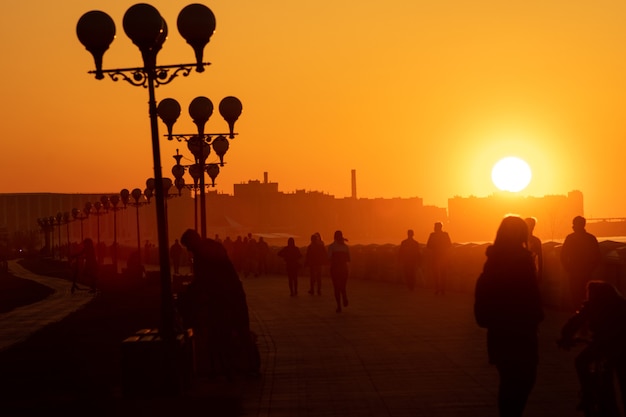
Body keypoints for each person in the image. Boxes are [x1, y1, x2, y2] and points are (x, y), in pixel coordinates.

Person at [474, 215, 544, 417]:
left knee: (508, 382)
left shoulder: (492, 262)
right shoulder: (523, 262)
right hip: (522, 334)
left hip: (499, 335)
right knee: (524, 379)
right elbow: (530, 298)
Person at [179, 229, 258, 376]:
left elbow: (204, 279)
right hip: (234, 292)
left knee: (224, 332)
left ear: (192, 242)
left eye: (188, 246)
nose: (189, 250)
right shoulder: (212, 247)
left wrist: (191, 290)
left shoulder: (202, 255)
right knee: (241, 330)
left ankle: (229, 368)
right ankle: (250, 366)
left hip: (222, 298)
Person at [558, 281, 626, 417]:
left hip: (603, 344)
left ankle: (587, 393)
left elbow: (573, 323)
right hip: (623, 346)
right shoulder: (622, 304)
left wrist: (565, 338)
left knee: (580, 361)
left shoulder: (593, 305)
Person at [560, 216, 601, 311]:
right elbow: (597, 256)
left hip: (575, 271)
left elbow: (563, 255)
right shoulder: (591, 238)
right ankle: (585, 314)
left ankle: (578, 313)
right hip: (584, 271)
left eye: (574, 224)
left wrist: (568, 268)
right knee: (584, 294)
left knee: (576, 294)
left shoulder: (570, 238)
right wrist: (591, 268)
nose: (573, 226)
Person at [426, 222, 452, 295]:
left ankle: (438, 289)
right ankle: (442, 289)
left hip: (436, 256)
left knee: (436, 273)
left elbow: (428, 246)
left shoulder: (432, 235)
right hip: (443, 257)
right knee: (443, 273)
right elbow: (449, 245)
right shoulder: (445, 235)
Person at [328, 230, 350, 313]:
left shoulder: (331, 247)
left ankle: (339, 306)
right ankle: (344, 296)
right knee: (343, 286)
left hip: (335, 269)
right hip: (344, 269)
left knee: (336, 288)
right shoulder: (345, 247)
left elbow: (329, 258)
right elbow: (349, 259)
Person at [525, 217, 543, 283]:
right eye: (529, 225)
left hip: (531, 270)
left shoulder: (536, 241)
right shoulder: (519, 240)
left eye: (532, 225)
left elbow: (540, 258)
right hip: (521, 270)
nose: (531, 228)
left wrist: (540, 273)